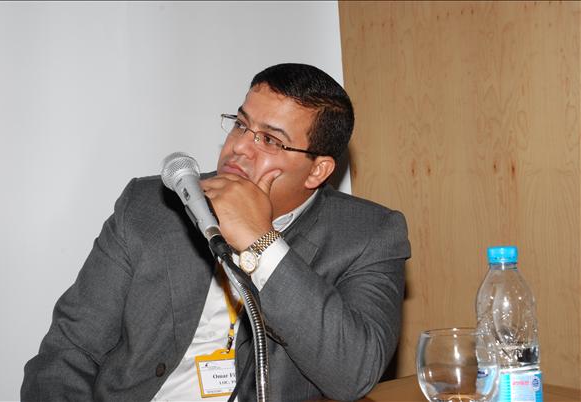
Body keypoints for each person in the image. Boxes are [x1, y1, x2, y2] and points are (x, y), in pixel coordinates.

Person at [21, 63, 411, 402]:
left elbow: (353, 374)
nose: (239, 147)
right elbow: (68, 350)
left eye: (270, 140)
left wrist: (262, 241)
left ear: (317, 171)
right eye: (241, 125)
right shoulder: (150, 207)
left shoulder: (368, 234)